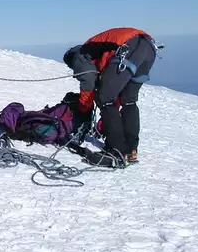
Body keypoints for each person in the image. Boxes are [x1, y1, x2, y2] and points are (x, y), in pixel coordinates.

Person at [63, 27, 158, 166]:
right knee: (128, 100)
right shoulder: (95, 51)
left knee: (105, 98)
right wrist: (108, 120)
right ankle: (130, 150)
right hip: (148, 48)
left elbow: (88, 87)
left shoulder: (80, 56)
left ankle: (116, 152)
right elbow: (116, 93)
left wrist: (84, 110)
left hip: (129, 46)